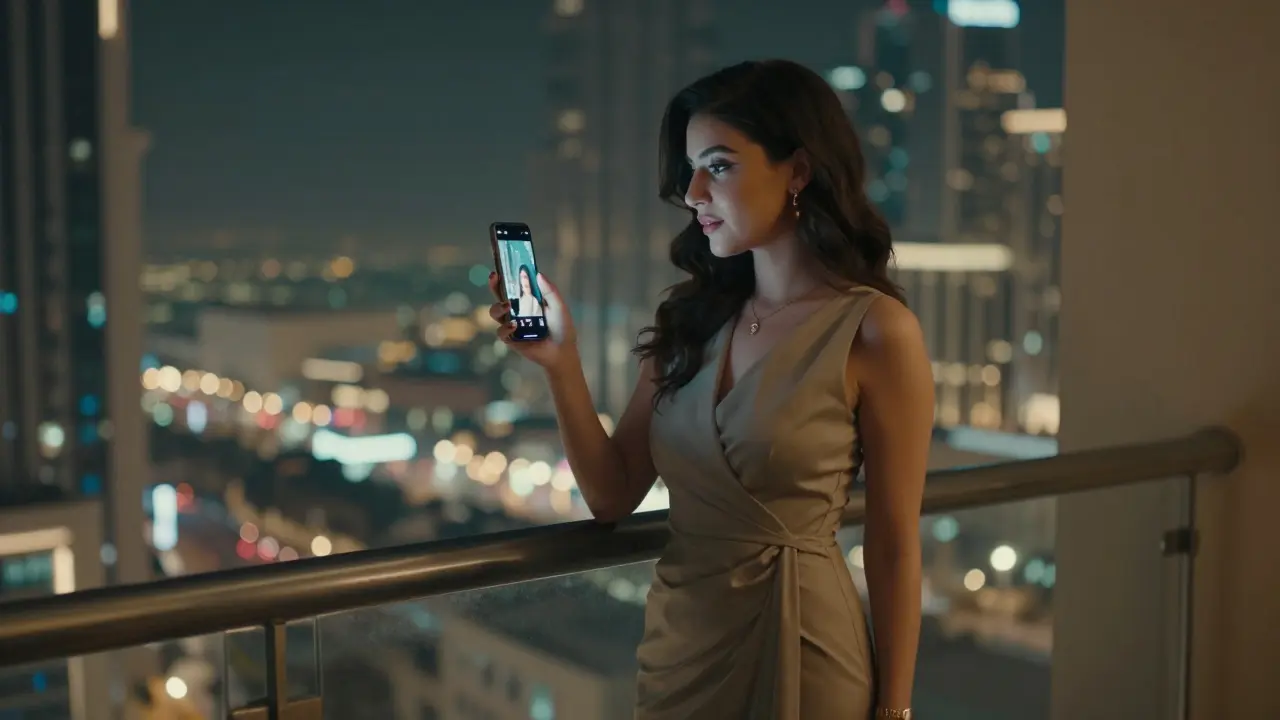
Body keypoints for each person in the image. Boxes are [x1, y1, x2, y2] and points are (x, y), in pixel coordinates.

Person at [488, 59, 932, 720]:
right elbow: (612, 494)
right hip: (681, 652)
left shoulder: (874, 331)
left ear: (799, 172)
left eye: (718, 166)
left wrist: (894, 713)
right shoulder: (689, 324)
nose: (693, 191)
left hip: (808, 649)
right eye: (691, 168)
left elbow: (896, 542)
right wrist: (561, 362)